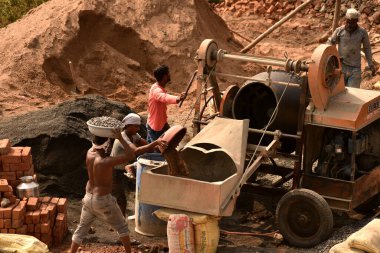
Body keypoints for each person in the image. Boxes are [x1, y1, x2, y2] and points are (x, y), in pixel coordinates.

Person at [70, 129, 135, 253]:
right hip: (103, 200)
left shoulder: (89, 153)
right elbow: (131, 155)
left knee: (81, 229)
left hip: (88, 197)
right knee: (122, 227)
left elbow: (98, 143)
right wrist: (120, 138)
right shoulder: (106, 161)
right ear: (107, 144)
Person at [111, 113, 164, 217]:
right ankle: (121, 221)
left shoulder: (134, 135)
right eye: (135, 126)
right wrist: (155, 143)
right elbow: (135, 151)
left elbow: (145, 144)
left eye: (138, 126)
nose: (138, 129)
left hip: (125, 167)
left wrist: (160, 147)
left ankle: (125, 217)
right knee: (120, 198)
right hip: (116, 171)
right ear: (127, 125)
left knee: (132, 191)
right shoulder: (122, 137)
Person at [327, 8, 376, 88]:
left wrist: (370, 63)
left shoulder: (362, 33)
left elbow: (367, 48)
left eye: (352, 23)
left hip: (355, 69)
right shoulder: (339, 31)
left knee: (353, 94)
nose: (350, 25)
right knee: (339, 93)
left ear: (356, 21)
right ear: (346, 20)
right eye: (348, 22)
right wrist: (334, 56)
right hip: (341, 67)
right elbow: (330, 43)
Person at [147, 65, 185, 143]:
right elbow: (164, 97)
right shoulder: (156, 90)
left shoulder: (158, 87)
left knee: (171, 140)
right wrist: (178, 98)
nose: (169, 75)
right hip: (156, 128)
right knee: (158, 151)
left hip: (161, 123)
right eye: (168, 74)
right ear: (164, 76)